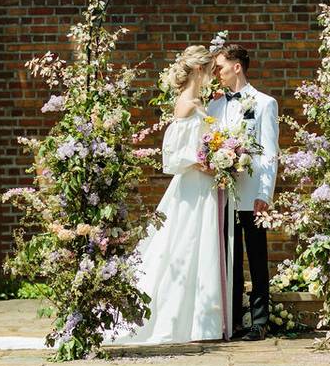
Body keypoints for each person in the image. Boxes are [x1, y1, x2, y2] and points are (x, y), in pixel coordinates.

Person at [110, 45, 227, 344]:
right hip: (192, 186)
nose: (214, 74)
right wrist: (203, 163)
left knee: (200, 246)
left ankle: (202, 322)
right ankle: (179, 321)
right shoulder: (186, 104)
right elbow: (172, 156)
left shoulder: (200, 101)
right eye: (212, 69)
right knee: (185, 246)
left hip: (204, 186)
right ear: (199, 70)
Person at [208, 44, 279, 341]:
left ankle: (260, 321)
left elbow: (270, 152)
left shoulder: (263, 103)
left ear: (237, 66)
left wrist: (265, 192)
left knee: (257, 257)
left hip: (252, 194)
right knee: (229, 259)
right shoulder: (213, 105)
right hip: (223, 194)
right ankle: (232, 319)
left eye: (221, 67)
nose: (217, 74)